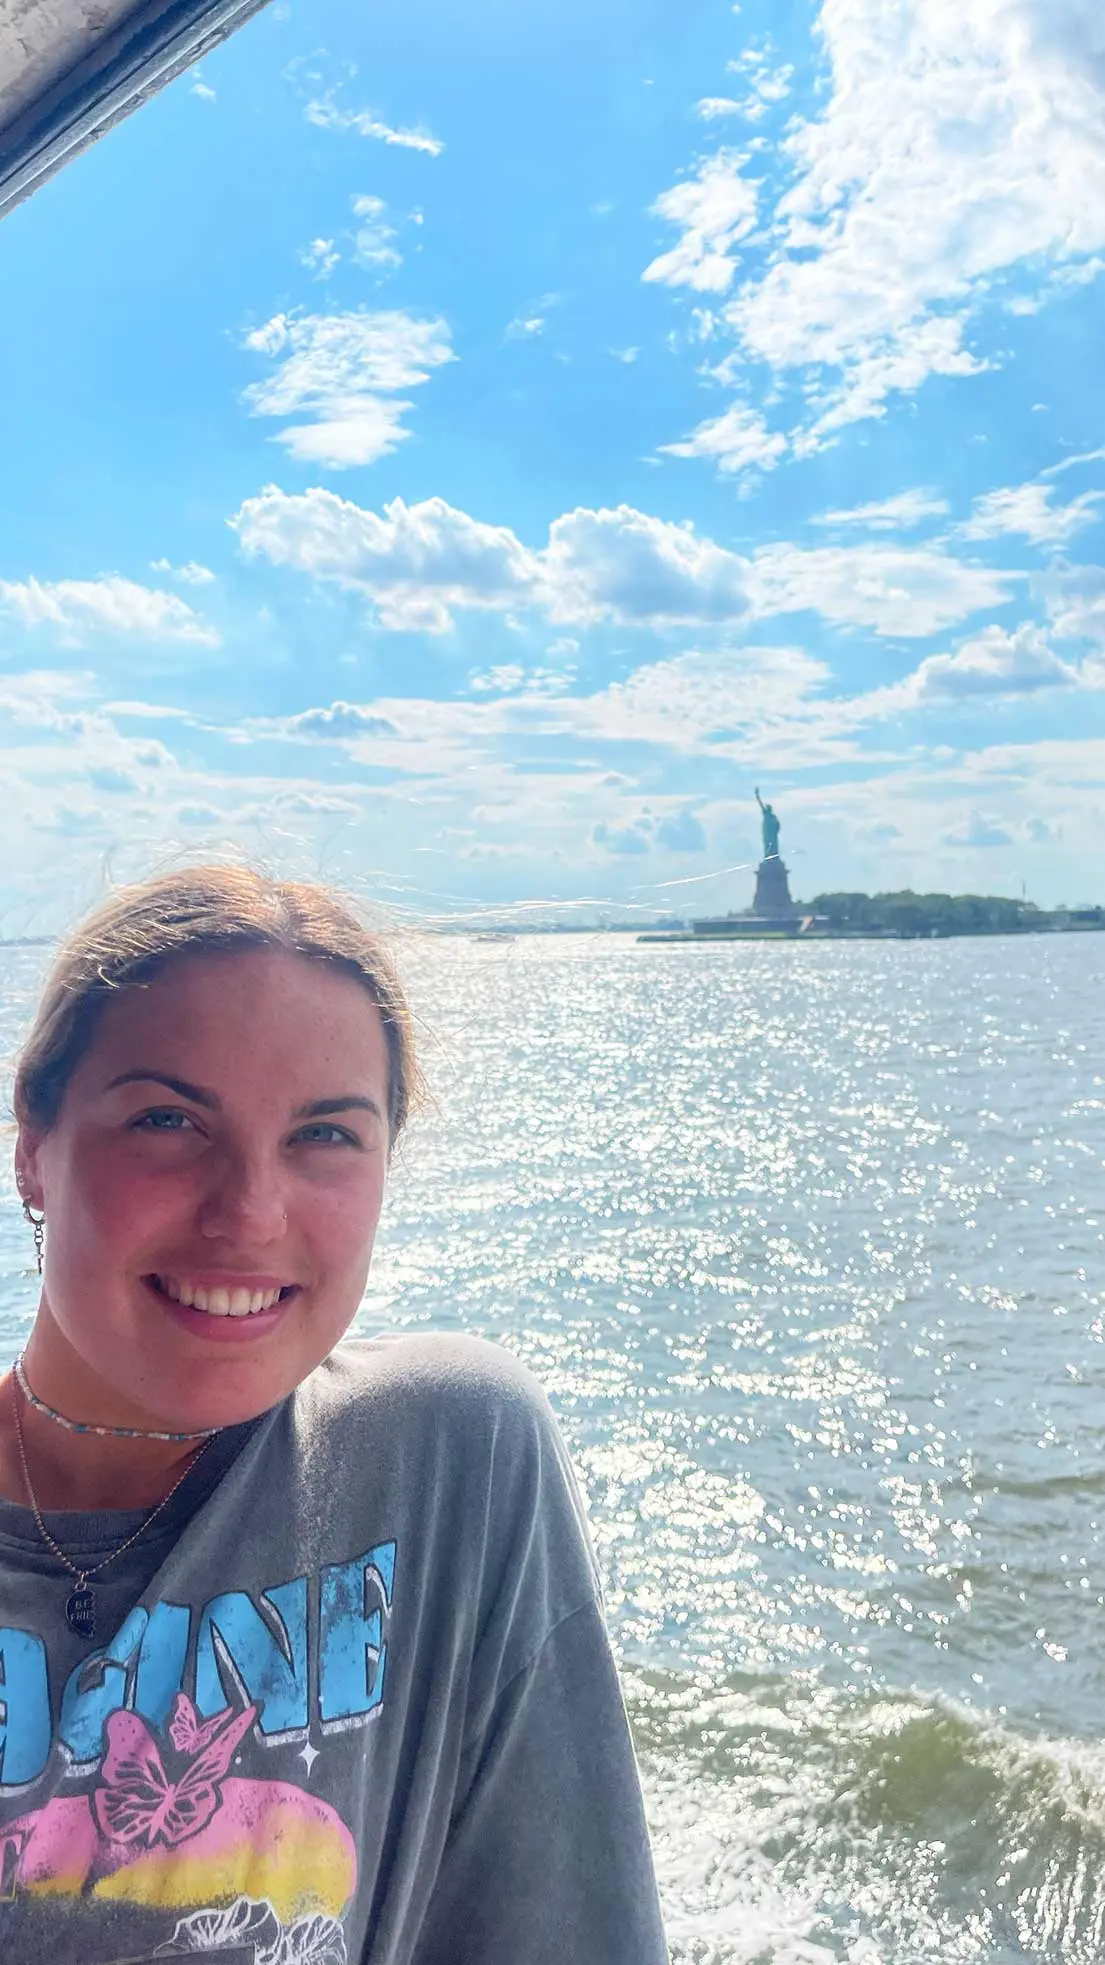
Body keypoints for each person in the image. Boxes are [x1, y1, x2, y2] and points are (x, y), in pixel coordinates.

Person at [0, 866, 668, 1965]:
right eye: (167, 1120)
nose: (249, 1213)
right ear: (35, 1146)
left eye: (324, 1136)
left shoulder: (448, 1458)